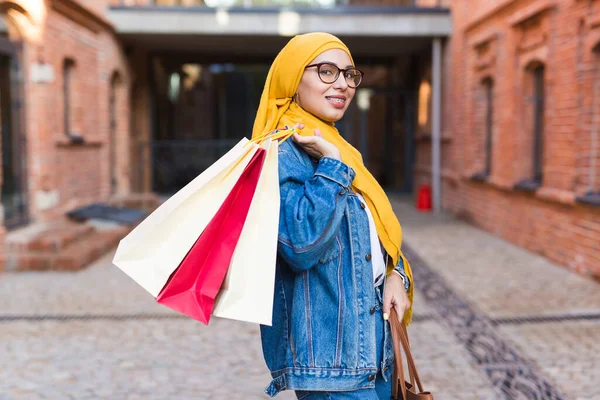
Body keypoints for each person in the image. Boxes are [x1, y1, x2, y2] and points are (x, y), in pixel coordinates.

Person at [251, 32, 414, 400]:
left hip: (374, 352)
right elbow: (301, 244)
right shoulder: (281, 154)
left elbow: (374, 241)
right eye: (326, 71)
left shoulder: (339, 148)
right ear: (293, 79)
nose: (343, 84)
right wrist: (331, 167)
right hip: (330, 368)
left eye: (349, 74)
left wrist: (396, 276)